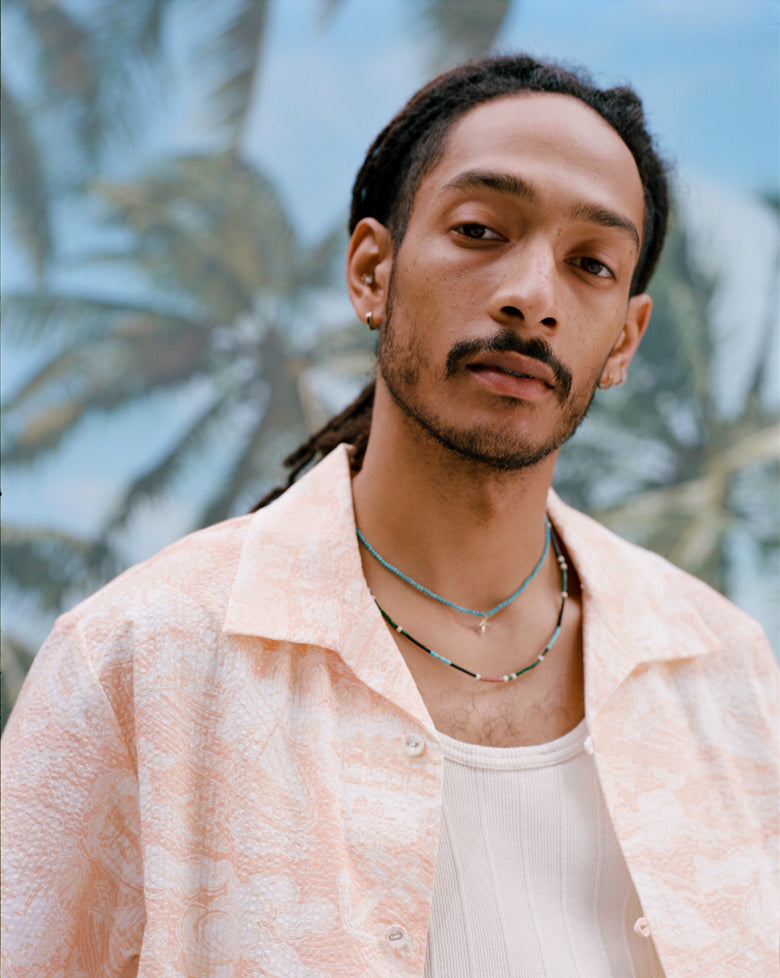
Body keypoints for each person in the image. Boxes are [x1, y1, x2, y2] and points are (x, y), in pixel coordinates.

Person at [2, 54, 777, 978]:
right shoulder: (142, 659)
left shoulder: (720, 672)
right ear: (372, 270)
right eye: (482, 229)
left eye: (591, 264)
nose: (533, 296)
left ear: (626, 339)